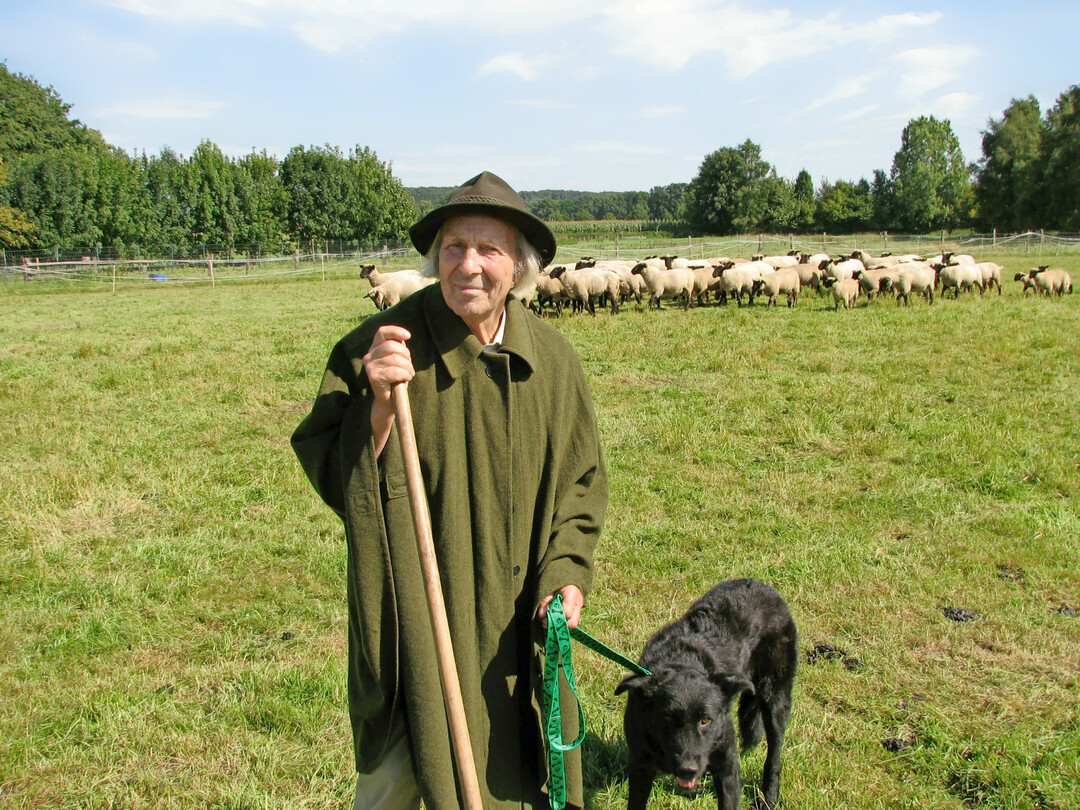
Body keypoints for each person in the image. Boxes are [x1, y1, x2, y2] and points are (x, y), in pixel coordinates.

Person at [291, 171, 608, 809]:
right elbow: (330, 463)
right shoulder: (382, 348)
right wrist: (378, 408)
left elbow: (582, 483)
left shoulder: (552, 360)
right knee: (398, 785)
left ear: (518, 266)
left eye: (489, 248)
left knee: (516, 770)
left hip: (515, 627)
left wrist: (567, 571)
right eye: (455, 246)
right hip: (417, 623)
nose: (469, 264)